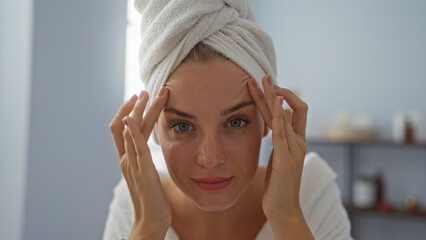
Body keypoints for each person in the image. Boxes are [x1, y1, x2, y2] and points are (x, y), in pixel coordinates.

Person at [104, 1, 352, 239]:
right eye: (182, 126)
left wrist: (287, 216)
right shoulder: (134, 206)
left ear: (269, 120)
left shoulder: (312, 193)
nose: (210, 159)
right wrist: (148, 228)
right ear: (154, 128)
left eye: (235, 122)